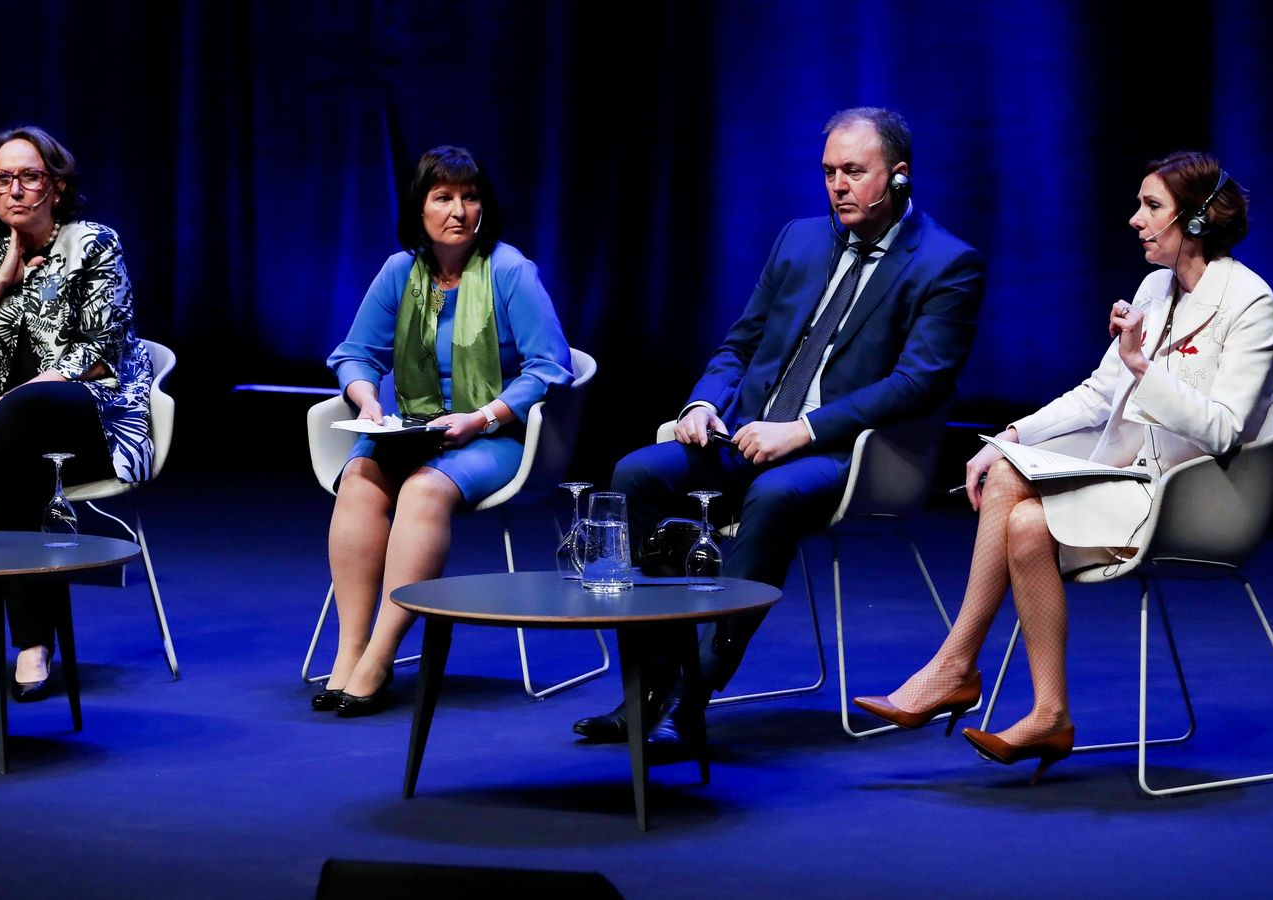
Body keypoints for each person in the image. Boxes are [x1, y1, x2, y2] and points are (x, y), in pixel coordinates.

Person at [853, 151, 1273, 784]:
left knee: (1019, 503)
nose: (1135, 219)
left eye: (1151, 206)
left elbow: (1222, 431)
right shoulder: (1156, 287)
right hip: (1132, 477)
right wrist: (1008, 435)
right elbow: (1097, 393)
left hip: (1198, 500)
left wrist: (1143, 367)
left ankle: (953, 668)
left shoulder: (1251, 301)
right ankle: (1047, 712)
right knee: (1021, 514)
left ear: (1193, 221)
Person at [573, 107, 985, 748]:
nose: (838, 186)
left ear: (899, 178)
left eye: (854, 171)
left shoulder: (945, 263)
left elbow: (918, 383)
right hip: (747, 435)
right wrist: (701, 406)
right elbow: (739, 345)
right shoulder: (799, 238)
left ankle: (690, 690)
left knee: (774, 495)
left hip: (848, 454)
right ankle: (648, 680)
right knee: (637, 472)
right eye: (828, 173)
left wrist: (805, 431)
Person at [316, 146, 573, 717]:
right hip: (413, 427)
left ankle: (380, 657)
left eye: (469, 196)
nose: (458, 210)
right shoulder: (400, 273)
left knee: (423, 489)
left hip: (494, 434)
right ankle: (349, 649)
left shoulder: (509, 270)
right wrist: (366, 400)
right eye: (443, 198)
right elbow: (355, 354)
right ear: (421, 209)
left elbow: (550, 367)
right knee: (358, 478)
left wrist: (482, 417)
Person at [0, 125, 153, 702]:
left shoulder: (94, 242)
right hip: (6, 447)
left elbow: (98, 355)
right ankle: (33, 647)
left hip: (90, 425)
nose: (16, 190)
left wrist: (6, 400)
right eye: (4, 179)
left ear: (56, 185)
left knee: (37, 408)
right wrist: (1, 279)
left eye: (31, 177)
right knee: (20, 474)